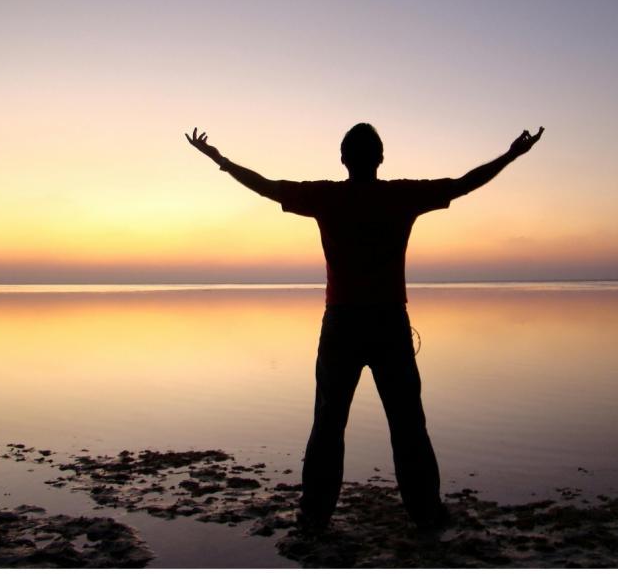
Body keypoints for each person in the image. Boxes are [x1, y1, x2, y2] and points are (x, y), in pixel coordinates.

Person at [185, 122, 544, 531]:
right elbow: (463, 184)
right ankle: (426, 513)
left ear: (343, 159)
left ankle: (314, 515)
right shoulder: (400, 196)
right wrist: (511, 155)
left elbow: (266, 187)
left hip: (342, 323)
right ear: (381, 158)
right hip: (388, 323)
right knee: (407, 423)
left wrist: (220, 159)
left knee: (329, 422)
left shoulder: (327, 196)